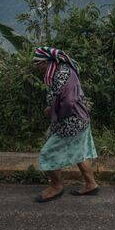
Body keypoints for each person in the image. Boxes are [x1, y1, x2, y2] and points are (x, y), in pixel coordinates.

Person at [32, 46, 99, 202]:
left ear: (47, 62)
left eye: (38, 63)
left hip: (70, 122)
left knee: (48, 152)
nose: (36, 67)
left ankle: (56, 186)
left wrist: (53, 112)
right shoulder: (60, 71)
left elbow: (68, 102)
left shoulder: (62, 74)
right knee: (80, 152)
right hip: (79, 118)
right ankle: (91, 184)